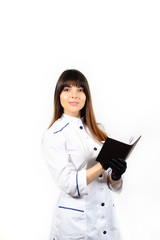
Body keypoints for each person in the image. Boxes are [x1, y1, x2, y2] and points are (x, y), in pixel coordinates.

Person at [42, 69, 127, 240]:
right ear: (58, 95)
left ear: (86, 96)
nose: (74, 95)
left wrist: (116, 175)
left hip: (105, 217)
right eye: (67, 89)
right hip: (75, 223)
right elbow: (68, 183)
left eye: (80, 90)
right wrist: (102, 164)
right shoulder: (54, 134)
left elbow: (108, 180)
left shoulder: (99, 129)